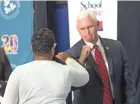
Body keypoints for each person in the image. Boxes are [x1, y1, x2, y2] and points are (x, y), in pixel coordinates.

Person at [2, 28, 89, 104]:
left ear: (32, 48)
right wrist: (68, 60)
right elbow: (85, 77)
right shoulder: (65, 71)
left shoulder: (19, 72)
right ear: (53, 48)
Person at [66, 10, 136, 104]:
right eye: (82, 29)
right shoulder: (72, 54)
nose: (87, 32)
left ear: (97, 25)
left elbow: (128, 84)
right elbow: (70, 86)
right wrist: (80, 61)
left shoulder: (117, 47)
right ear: (78, 30)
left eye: (90, 27)